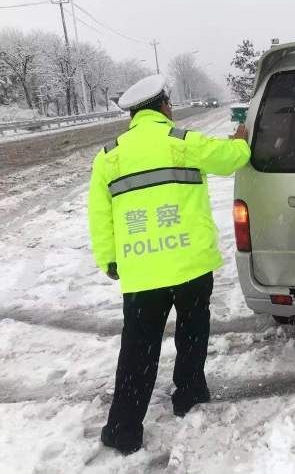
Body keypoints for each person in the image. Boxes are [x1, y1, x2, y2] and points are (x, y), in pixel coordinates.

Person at [87, 74, 251, 455]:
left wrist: (110, 260)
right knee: (192, 334)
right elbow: (234, 159)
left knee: (138, 349)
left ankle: (124, 429)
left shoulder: (108, 156)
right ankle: (190, 394)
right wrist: (241, 137)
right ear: (164, 106)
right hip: (191, 265)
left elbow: (101, 216)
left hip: (143, 273)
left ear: (133, 115)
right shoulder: (183, 143)